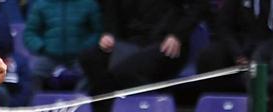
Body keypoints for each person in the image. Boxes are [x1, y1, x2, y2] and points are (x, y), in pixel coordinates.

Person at [77, 0, 205, 96]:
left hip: (165, 43)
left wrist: (177, 35)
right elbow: (111, 12)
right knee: (90, 58)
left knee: (126, 70)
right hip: (129, 42)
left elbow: (198, 8)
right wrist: (110, 34)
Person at [22, 0, 102, 91]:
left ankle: (78, 102)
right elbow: (30, 33)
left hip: (79, 56)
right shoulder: (41, 4)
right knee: (32, 74)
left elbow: (98, 32)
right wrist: (42, 47)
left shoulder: (88, 4)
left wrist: (85, 49)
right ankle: (36, 104)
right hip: (50, 55)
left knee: (92, 72)